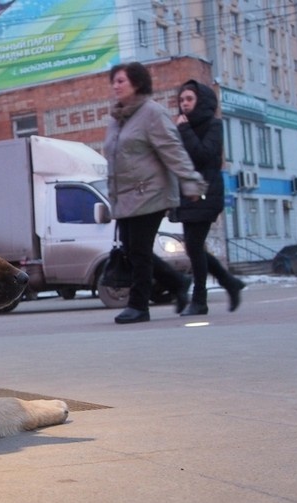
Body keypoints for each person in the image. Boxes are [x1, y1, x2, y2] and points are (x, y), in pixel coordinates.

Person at [103, 62, 207, 324]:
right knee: (132, 249)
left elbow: (173, 150)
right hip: (126, 195)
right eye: (113, 81)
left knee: (138, 250)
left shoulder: (152, 114)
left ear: (137, 83)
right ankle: (177, 282)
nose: (115, 86)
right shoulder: (118, 118)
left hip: (150, 192)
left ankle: (139, 306)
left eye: (121, 81)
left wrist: (191, 182)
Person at [171, 79, 246, 315]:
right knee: (193, 248)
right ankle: (229, 283)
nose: (184, 104)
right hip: (187, 194)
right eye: (182, 100)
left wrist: (184, 130)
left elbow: (204, 155)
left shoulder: (213, 125)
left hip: (206, 192)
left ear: (200, 100)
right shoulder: (181, 126)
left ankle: (200, 300)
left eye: (189, 99)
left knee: (194, 245)